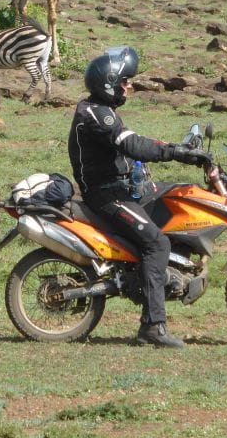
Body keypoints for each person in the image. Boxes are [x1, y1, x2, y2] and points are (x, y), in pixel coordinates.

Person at [68, 47, 211, 349]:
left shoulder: (102, 110)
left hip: (125, 188)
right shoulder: (96, 115)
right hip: (107, 194)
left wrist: (179, 151)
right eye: (126, 81)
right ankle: (152, 327)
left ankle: (166, 273)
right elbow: (133, 145)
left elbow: (133, 144)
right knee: (157, 243)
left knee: (179, 194)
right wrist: (176, 152)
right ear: (109, 81)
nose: (129, 86)